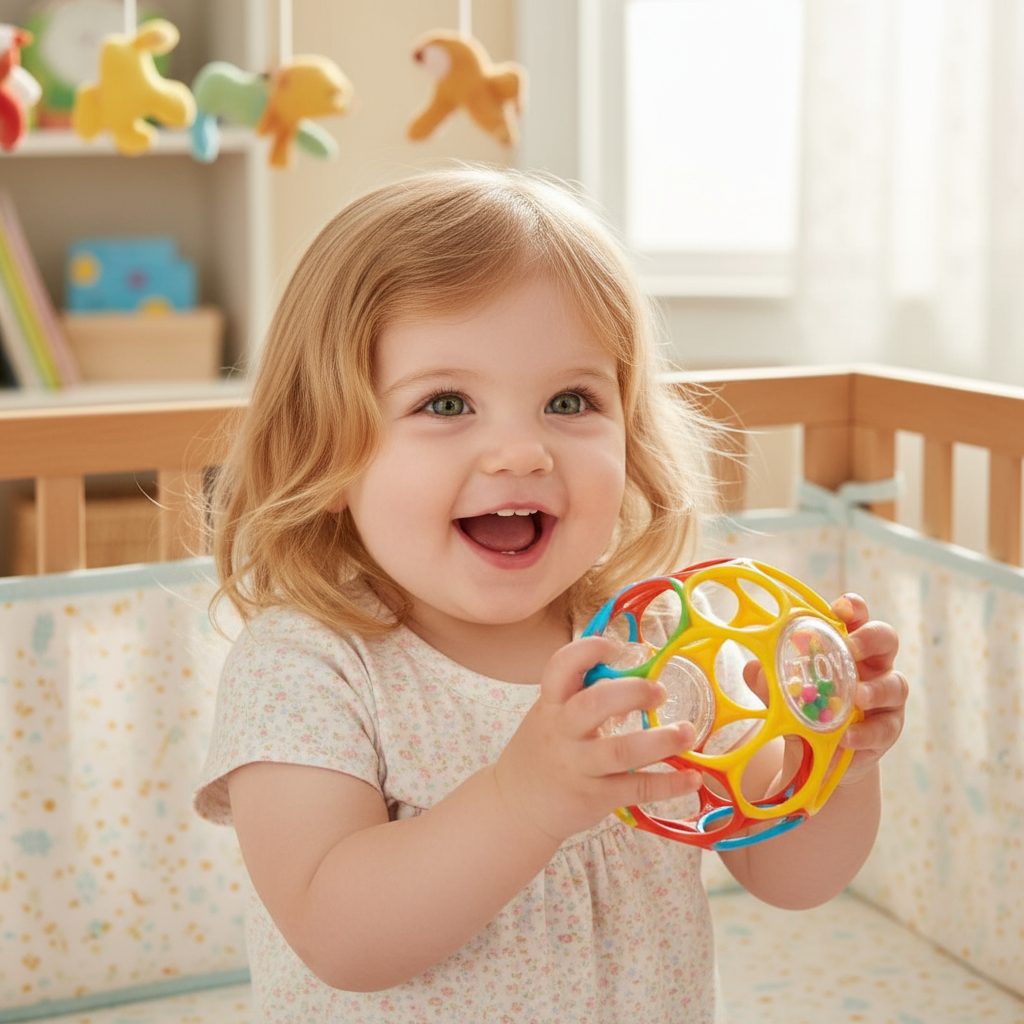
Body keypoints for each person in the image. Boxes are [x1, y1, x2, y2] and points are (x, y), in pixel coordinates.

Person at [194, 167, 908, 1023]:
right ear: (328, 450)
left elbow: (793, 877)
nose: (521, 452)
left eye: (569, 400)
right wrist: (522, 802)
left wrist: (834, 759)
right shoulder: (307, 665)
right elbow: (338, 937)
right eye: (447, 402)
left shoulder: (656, 644)